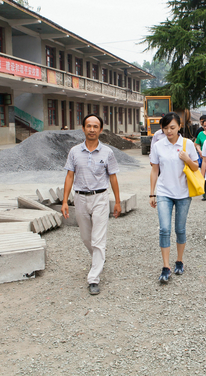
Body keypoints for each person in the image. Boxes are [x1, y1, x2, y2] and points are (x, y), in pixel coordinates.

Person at [61, 114, 122, 296]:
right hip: (80, 198)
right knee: (86, 238)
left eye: (96, 126)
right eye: (89, 126)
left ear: (101, 130)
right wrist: (64, 201)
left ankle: (94, 278)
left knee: (98, 239)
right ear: (83, 128)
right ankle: (98, 258)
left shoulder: (107, 152)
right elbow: (69, 176)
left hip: (100, 198)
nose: (92, 129)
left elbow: (113, 177)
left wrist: (117, 201)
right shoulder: (74, 152)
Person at [149, 112, 199, 284]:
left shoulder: (187, 144)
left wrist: (187, 159)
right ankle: (166, 266)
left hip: (183, 193)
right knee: (164, 229)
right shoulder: (158, 145)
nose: (169, 131)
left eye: (172, 127)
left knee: (180, 229)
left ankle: (179, 261)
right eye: (165, 128)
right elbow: (154, 170)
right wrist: (152, 192)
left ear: (179, 126)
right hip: (164, 192)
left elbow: (196, 167)